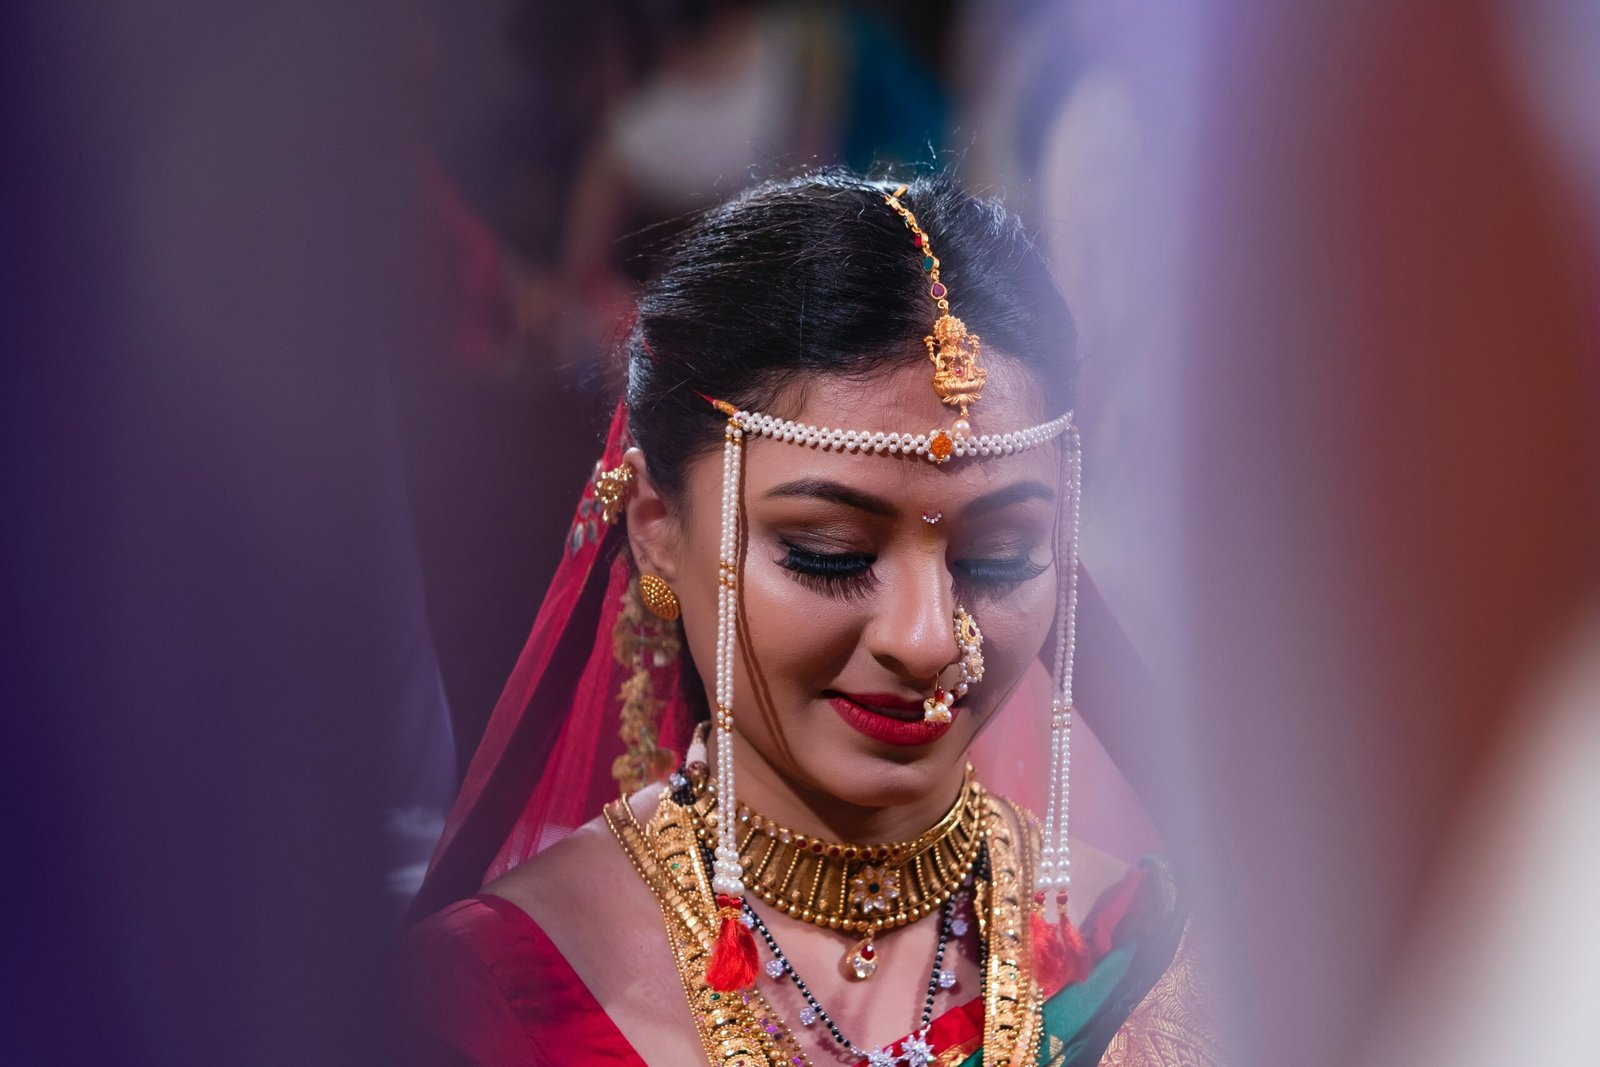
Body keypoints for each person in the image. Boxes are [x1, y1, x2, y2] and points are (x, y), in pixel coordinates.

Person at [405, 171, 1222, 1066]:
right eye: (830, 553)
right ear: (655, 528)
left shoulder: (1151, 960)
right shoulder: (493, 1002)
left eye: (997, 559)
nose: (929, 640)